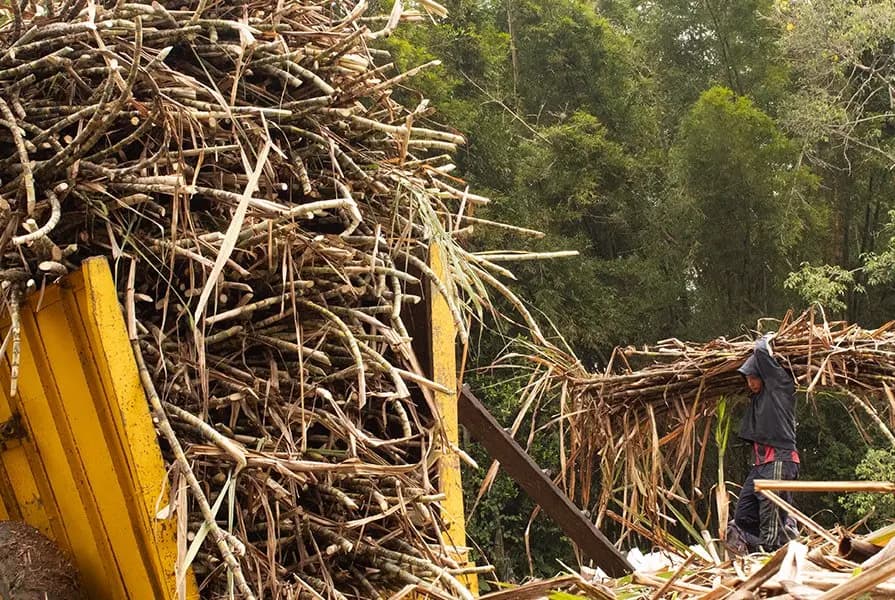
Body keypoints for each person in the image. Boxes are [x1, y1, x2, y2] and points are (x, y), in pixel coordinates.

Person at [725, 334, 799, 555]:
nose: (750, 383)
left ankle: (774, 548)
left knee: (769, 518)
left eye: (753, 377)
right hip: (760, 465)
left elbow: (763, 357)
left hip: (779, 459)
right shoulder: (757, 399)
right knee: (743, 516)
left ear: (764, 375)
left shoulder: (779, 389)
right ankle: (785, 531)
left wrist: (763, 341)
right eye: (746, 378)